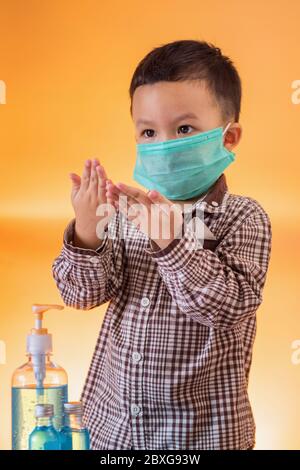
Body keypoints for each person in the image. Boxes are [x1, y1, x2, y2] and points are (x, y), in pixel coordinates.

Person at [52, 39, 272, 450]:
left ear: (229, 137)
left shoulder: (243, 216)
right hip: (113, 430)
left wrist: (171, 241)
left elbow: (227, 307)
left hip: (200, 437)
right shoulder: (124, 212)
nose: (163, 145)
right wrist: (87, 230)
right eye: (149, 132)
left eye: (184, 129)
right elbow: (82, 294)